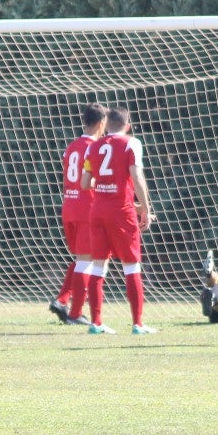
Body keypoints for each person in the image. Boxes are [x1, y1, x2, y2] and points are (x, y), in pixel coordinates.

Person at [81, 105, 155, 335]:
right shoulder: (131, 143)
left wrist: (105, 185)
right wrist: (144, 207)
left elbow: (84, 184)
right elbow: (137, 176)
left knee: (98, 267)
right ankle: (138, 324)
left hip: (97, 212)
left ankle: (96, 323)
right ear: (128, 125)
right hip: (121, 213)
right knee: (132, 266)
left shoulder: (93, 147)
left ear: (107, 124)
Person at [49, 102, 107, 326]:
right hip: (87, 208)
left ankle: (63, 300)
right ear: (101, 123)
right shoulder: (97, 148)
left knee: (83, 258)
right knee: (88, 260)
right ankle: (74, 313)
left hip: (69, 207)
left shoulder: (71, 146)